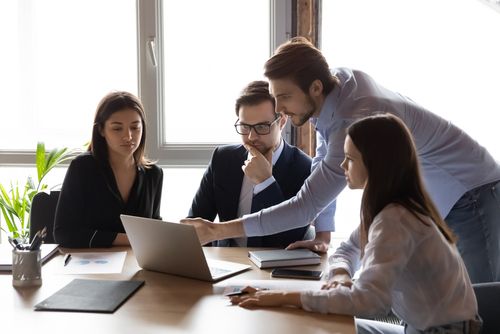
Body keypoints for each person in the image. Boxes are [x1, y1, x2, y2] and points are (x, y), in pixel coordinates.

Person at [182, 37, 500, 283]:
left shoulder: (354, 117)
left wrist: (215, 231)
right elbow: (326, 169)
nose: (278, 109)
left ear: (315, 88)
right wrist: (323, 235)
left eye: (284, 97)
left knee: (479, 304)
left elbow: (305, 204)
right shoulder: (338, 88)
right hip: (436, 195)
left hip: (471, 190)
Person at [230, 114, 482, 334]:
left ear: (375, 164)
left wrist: (280, 298)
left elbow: (370, 301)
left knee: (315, 326)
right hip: (418, 328)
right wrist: (340, 274)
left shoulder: (396, 218)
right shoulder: (389, 206)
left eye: (350, 158)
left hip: (441, 332)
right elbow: (346, 251)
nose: (342, 165)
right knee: (319, 324)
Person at [188, 80, 331, 249]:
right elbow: (195, 226)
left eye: (262, 127)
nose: (251, 137)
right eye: (245, 127)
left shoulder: (304, 168)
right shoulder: (223, 159)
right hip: (226, 264)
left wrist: (266, 183)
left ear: (282, 120)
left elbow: (287, 241)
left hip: (272, 272)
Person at [53, 91, 163, 248]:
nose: (129, 136)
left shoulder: (154, 174)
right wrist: (126, 239)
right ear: (102, 130)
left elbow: (153, 231)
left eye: (135, 127)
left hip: (137, 265)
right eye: (117, 129)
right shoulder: (83, 168)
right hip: (90, 265)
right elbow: (63, 233)